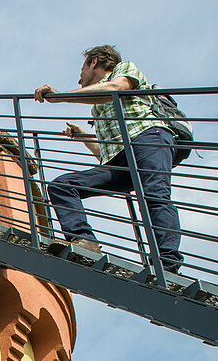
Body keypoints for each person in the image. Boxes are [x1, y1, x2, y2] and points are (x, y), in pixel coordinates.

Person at [34, 45, 183, 273]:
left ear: (94, 62)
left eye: (81, 68)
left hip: (148, 138)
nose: (79, 78)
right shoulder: (97, 106)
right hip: (120, 159)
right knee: (62, 186)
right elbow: (104, 154)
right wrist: (84, 136)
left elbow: (115, 88)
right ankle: (85, 242)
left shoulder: (123, 70)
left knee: (155, 195)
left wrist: (59, 97)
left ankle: (167, 266)